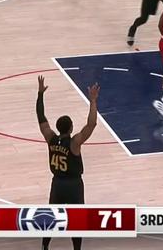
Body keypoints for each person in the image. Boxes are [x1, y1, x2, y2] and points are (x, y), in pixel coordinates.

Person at [36, 75, 98, 250]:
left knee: (51, 217)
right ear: (71, 128)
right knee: (76, 219)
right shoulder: (74, 143)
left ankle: (44, 246)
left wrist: (40, 94)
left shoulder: (50, 138)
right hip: (73, 185)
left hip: (57, 183)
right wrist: (93, 101)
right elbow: (91, 124)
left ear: (58, 128)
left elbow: (41, 117)